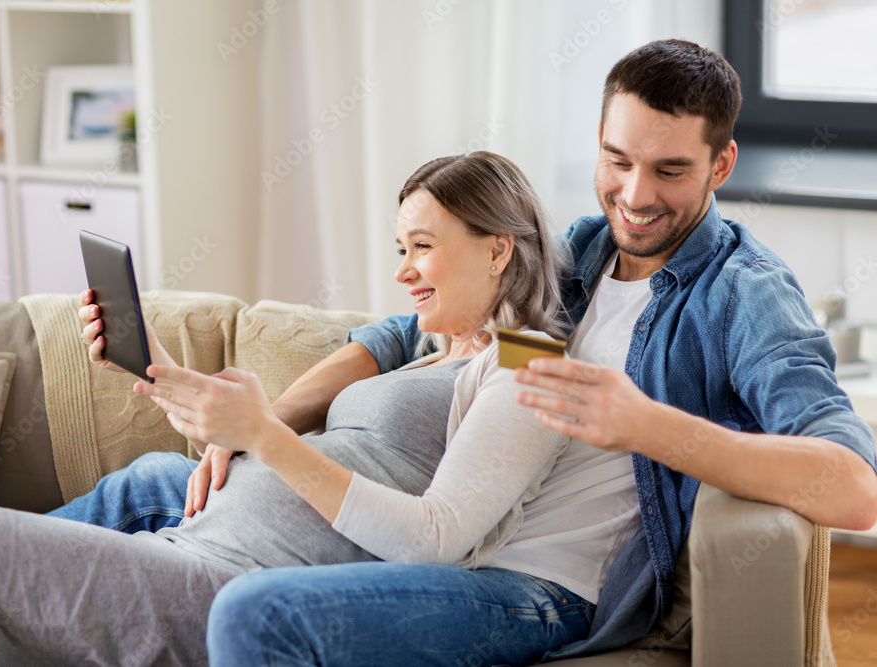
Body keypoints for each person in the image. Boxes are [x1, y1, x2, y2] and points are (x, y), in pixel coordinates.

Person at [204, 39, 877, 665]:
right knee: (156, 493)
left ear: (721, 164)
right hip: (456, 546)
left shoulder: (742, 294)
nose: (636, 196)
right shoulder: (581, 254)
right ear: (599, 144)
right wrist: (269, 420)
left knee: (257, 612)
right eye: (618, 162)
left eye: (670, 170)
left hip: (545, 589)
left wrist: (649, 426)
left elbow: (853, 487)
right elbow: (399, 335)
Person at [0, 152, 623, 667]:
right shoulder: (434, 349)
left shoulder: (531, 363)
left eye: (421, 246)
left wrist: (264, 433)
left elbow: (435, 537)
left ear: (498, 251)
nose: (401, 270)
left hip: (224, 583)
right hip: (187, 547)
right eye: (400, 246)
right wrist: (164, 374)